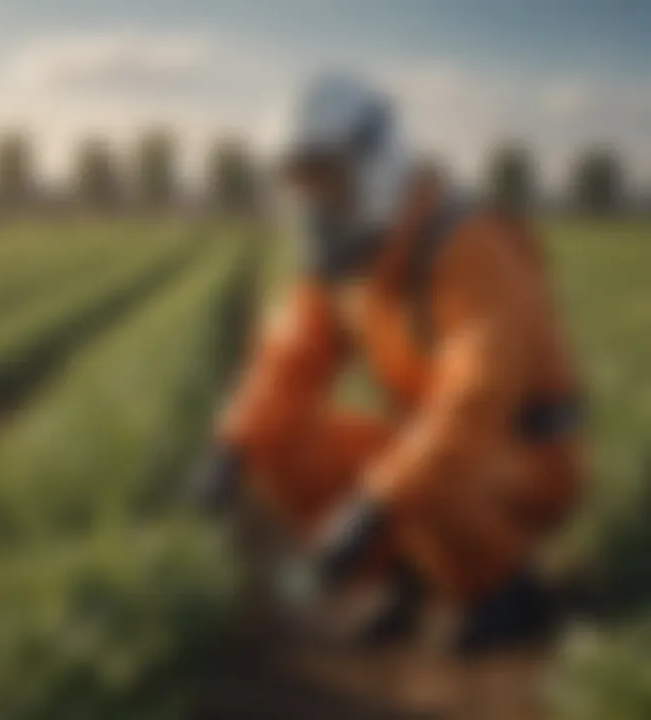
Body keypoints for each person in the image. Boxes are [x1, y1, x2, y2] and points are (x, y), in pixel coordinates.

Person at [196, 72, 584, 652]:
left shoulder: (468, 244)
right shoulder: (345, 259)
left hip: (521, 459)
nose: (311, 201)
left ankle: (507, 591)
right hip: (439, 449)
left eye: (325, 179)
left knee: (425, 473)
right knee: (281, 441)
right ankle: (410, 575)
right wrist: (231, 450)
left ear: (373, 164)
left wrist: (374, 506)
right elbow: (286, 360)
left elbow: (471, 404)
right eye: (299, 183)